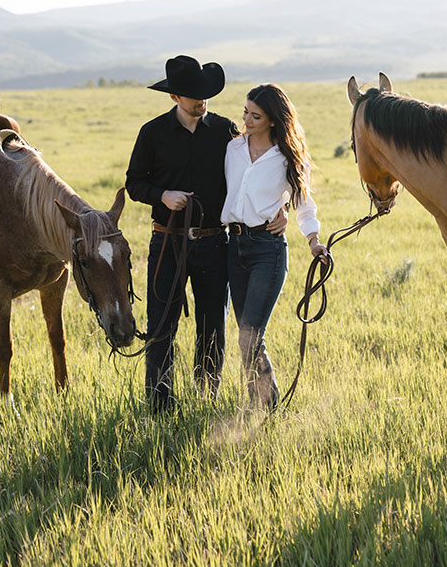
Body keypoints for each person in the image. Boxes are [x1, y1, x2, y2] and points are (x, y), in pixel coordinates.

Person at [125, 56, 286, 411]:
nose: (201, 101)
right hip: (167, 239)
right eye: (192, 95)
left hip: (214, 242)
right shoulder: (152, 133)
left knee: (212, 325)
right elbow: (133, 183)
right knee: (161, 325)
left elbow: (260, 170)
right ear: (174, 97)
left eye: (204, 94)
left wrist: (282, 207)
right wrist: (162, 195)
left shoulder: (226, 132)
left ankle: (206, 398)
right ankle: (160, 405)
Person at [221, 83, 328, 411]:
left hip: (267, 250)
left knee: (250, 335)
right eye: (245, 112)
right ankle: (261, 405)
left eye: (256, 116)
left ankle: (266, 408)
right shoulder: (233, 149)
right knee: (245, 336)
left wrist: (314, 241)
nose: (247, 120)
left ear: (272, 120)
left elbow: (305, 205)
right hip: (233, 246)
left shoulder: (287, 158)